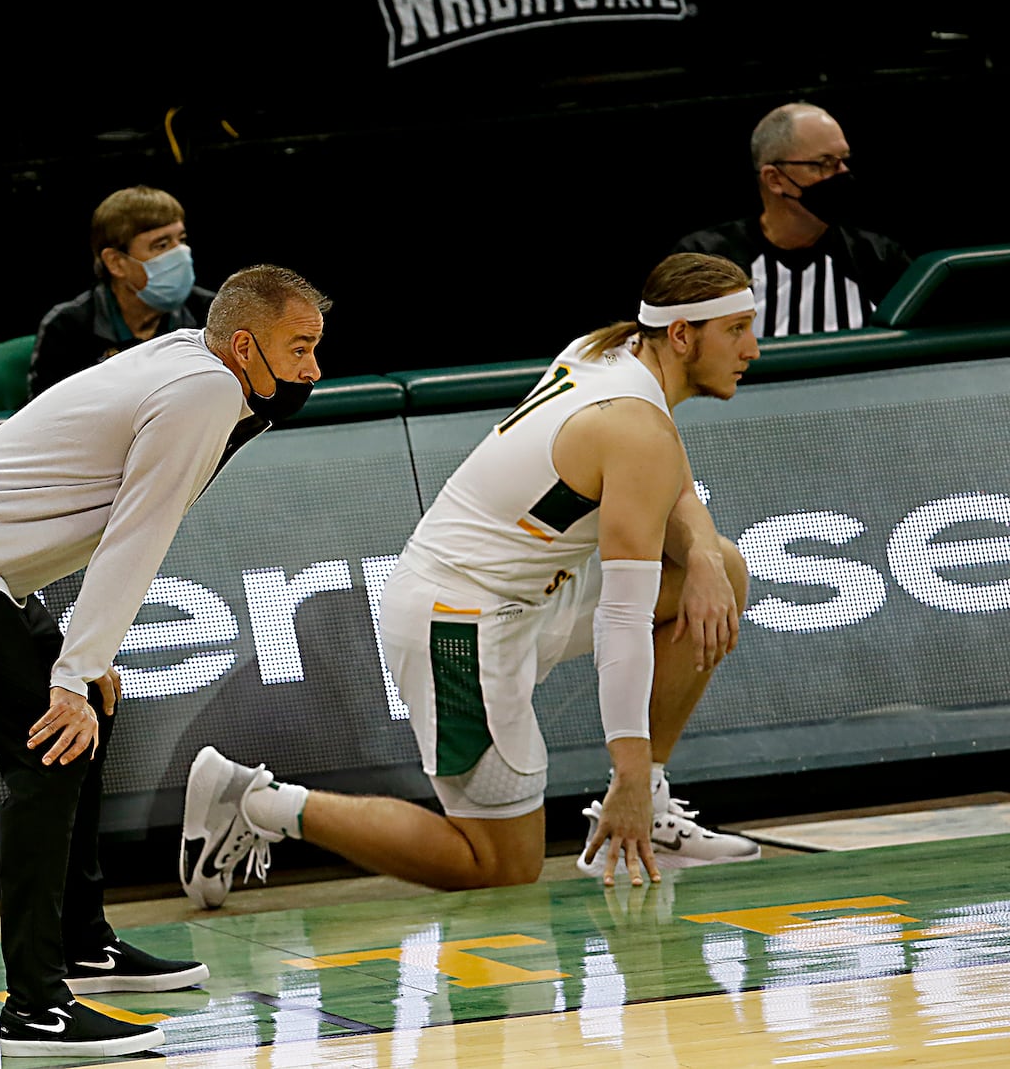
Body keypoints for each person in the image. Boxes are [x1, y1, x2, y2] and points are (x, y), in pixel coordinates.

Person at [180, 252, 763, 911]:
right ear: (682, 335)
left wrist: (709, 562)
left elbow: (670, 473)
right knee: (500, 866)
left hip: (526, 596)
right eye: (737, 329)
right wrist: (623, 772)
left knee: (722, 565)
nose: (754, 347)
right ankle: (258, 801)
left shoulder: (616, 351)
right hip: (457, 626)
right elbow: (622, 619)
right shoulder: (633, 426)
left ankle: (652, 801)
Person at [0, 265, 328, 1057]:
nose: (314, 369)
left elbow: (114, 511)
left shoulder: (199, 360)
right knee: (49, 751)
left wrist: (84, 664)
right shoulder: (205, 393)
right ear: (246, 346)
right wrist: (73, 670)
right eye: (301, 348)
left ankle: (83, 945)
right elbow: (138, 534)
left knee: (91, 719)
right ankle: (34, 1009)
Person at [672, 102, 910, 337]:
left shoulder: (877, 257)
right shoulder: (706, 261)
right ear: (774, 179)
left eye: (843, 160)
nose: (843, 173)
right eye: (825, 163)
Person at [26, 185, 216, 400]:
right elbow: (48, 419)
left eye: (180, 240)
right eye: (161, 245)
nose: (180, 254)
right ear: (116, 263)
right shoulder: (66, 328)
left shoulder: (213, 314)